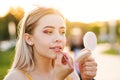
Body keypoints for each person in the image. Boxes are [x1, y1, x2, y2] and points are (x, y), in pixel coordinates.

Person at [4, 7, 97, 80]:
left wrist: (87, 79)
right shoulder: (15, 77)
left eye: (62, 32)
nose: (59, 38)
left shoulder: (69, 73)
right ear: (29, 39)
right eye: (48, 31)